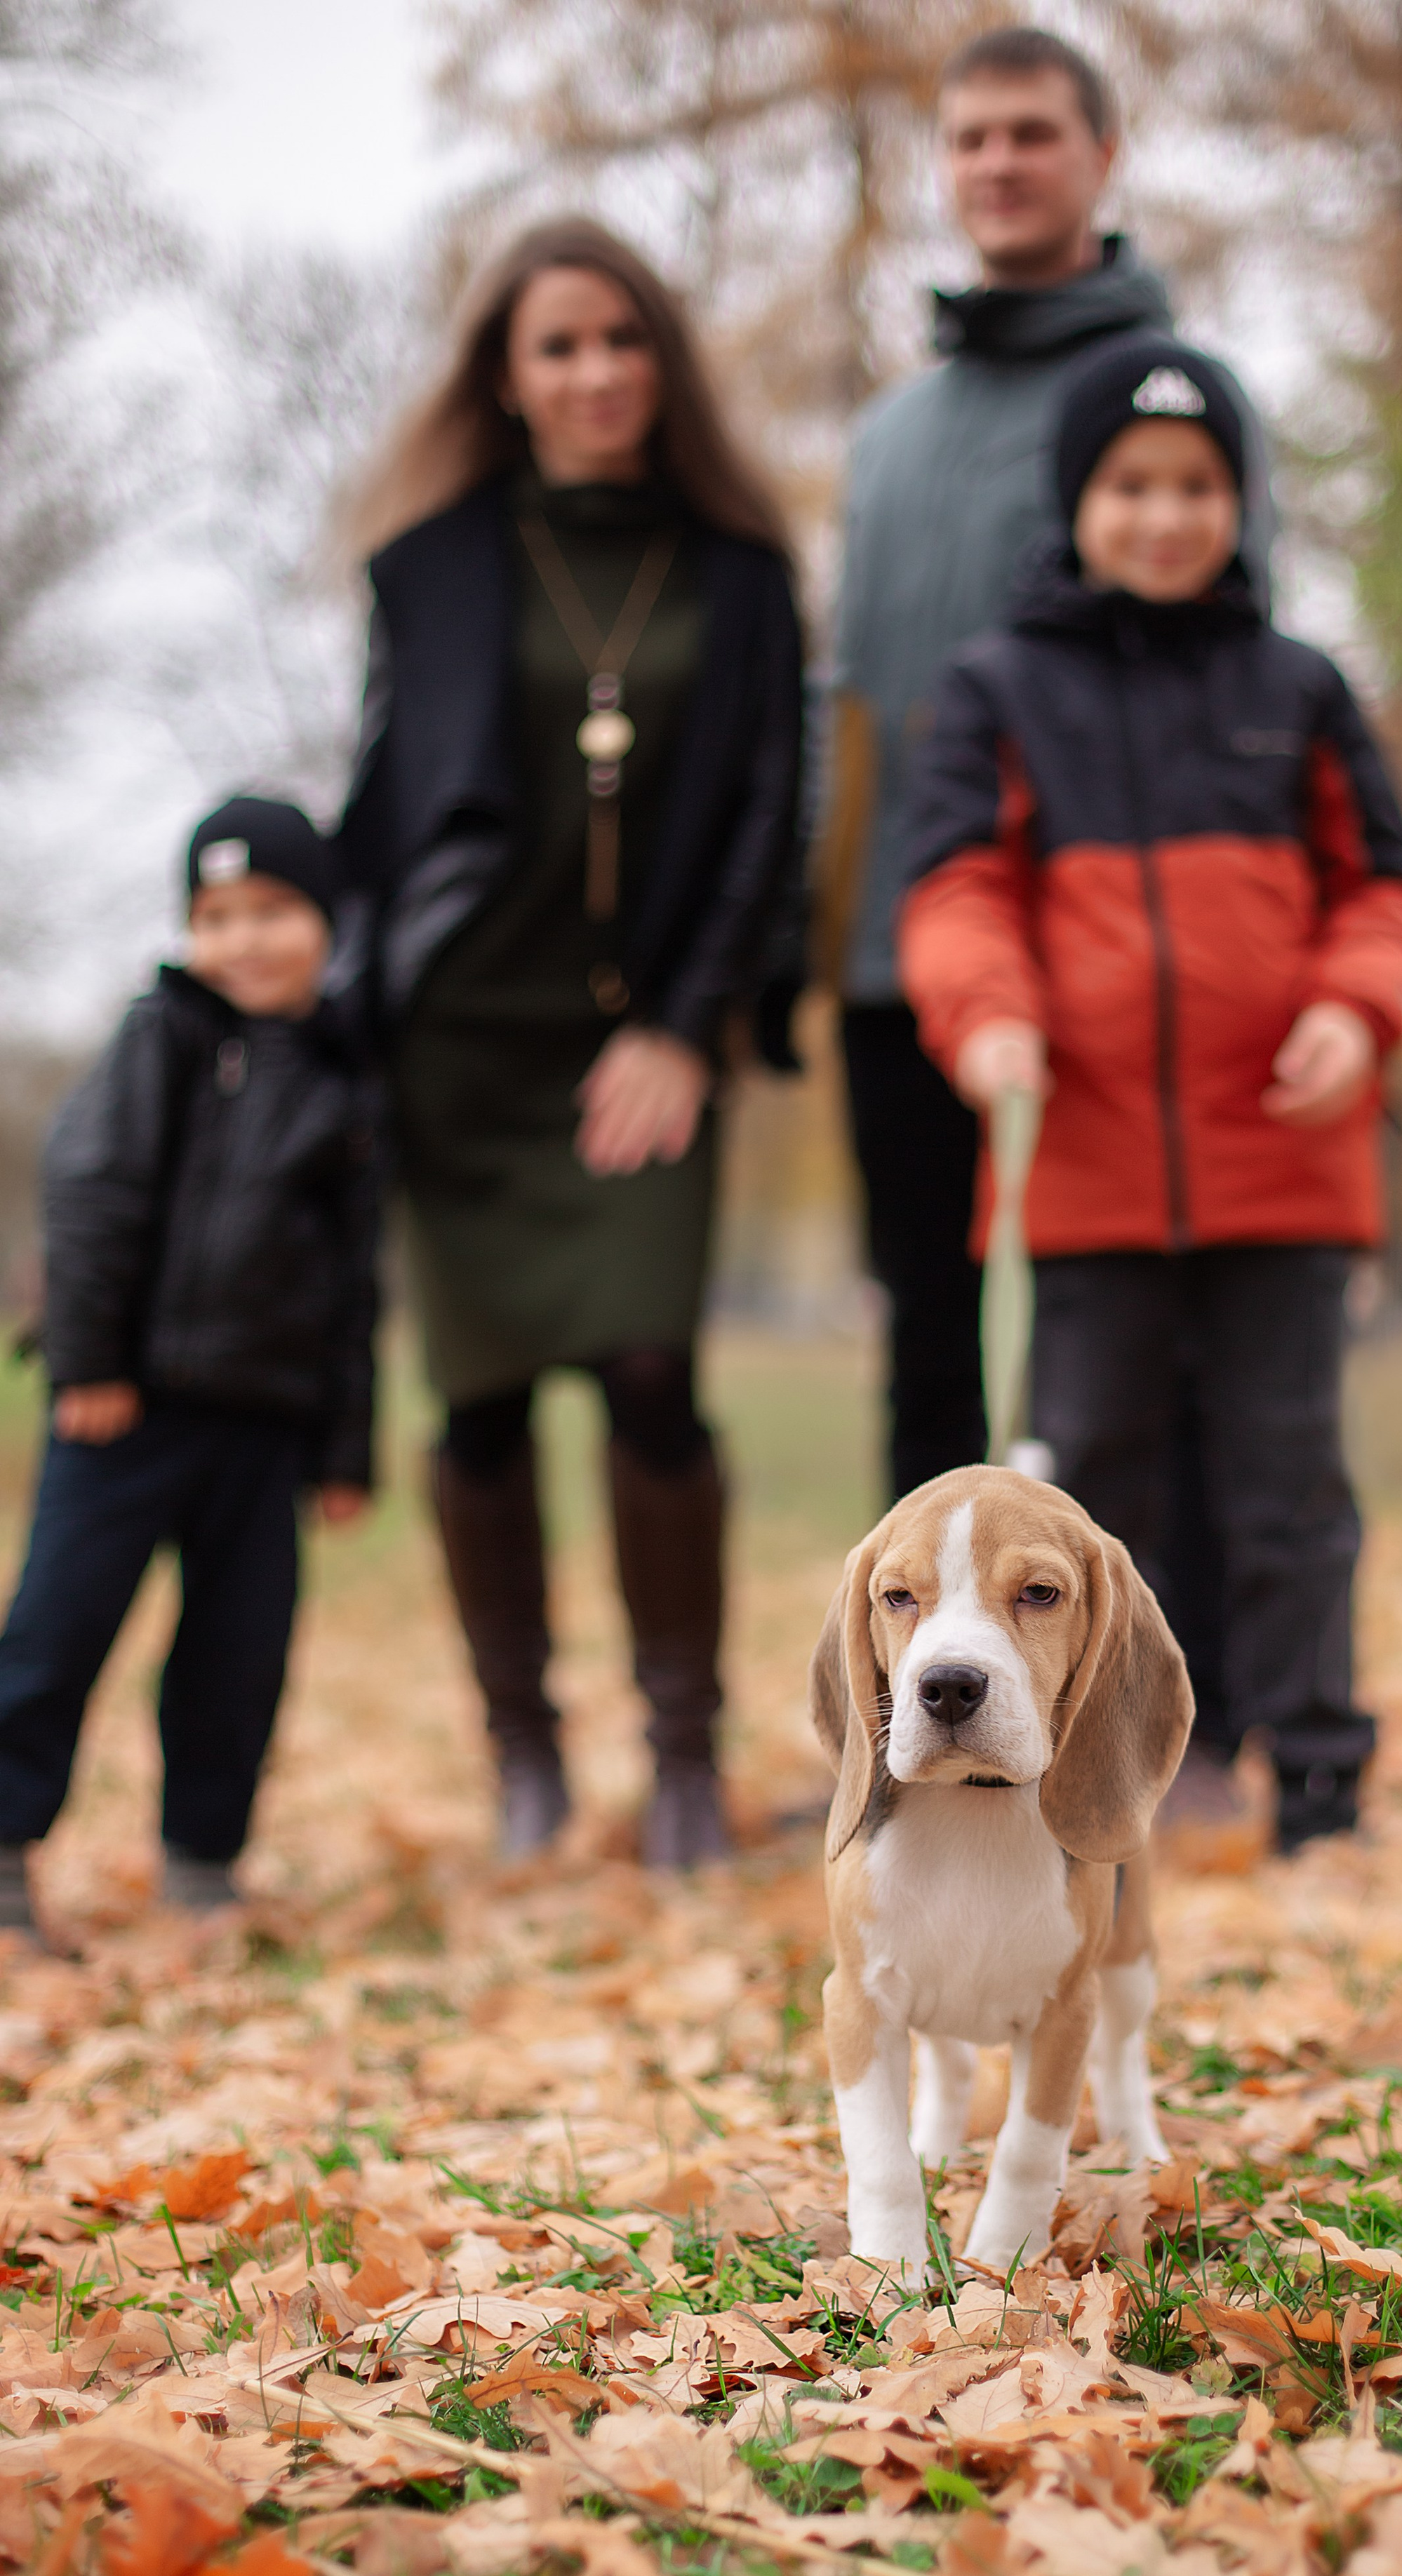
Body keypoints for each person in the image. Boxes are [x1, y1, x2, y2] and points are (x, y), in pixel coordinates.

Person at [897, 335, 1402, 1853]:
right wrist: (987, 1018)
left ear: (1235, 506)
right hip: (1080, 1167)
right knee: (1080, 1508)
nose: (1162, 516)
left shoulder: (1299, 687)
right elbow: (950, 892)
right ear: (1079, 500)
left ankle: (1317, 1788)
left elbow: (1384, 891)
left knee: (1288, 1490)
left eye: (1195, 487)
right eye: (1129, 485)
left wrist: (1352, 1006)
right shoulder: (998, 689)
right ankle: (1084, 1800)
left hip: (1283, 1160)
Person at [338, 217, 803, 1872]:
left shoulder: (742, 577)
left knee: (652, 1378)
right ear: (508, 378)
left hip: (640, 1045)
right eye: (558, 346)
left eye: (622, 339)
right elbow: (388, 809)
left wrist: (689, 1028)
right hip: (462, 1047)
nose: (596, 371)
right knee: (476, 1404)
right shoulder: (436, 565)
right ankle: (522, 1757)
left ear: (660, 361)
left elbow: (765, 815)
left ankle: (683, 1758)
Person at [819, 22, 1271, 1503]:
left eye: (1030, 133)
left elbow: (1233, 679)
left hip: (1106, 970)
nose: (997, 164)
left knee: (1141, 1356)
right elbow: (858, 706)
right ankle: (912, 1722)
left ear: (1101, 156)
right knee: (929, 1351)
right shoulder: (887, 436)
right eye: (969, 139)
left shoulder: (1178, 404)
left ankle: (1162, 1714)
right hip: (899, 967)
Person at [0, 800, 378, 1941]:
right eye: (217, 918)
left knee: (238, 1652)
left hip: (263, 1427)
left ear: (328, 922)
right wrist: (89, 1358)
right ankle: (7, 1843)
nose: (244, 941)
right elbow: (93, 1195)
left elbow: (353, 1283)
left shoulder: (345, 1078)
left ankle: (204, 1859)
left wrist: (344, 1444)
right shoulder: (162, 1036)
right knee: (59, 1630)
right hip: (128, 1408)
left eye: (272, 912)